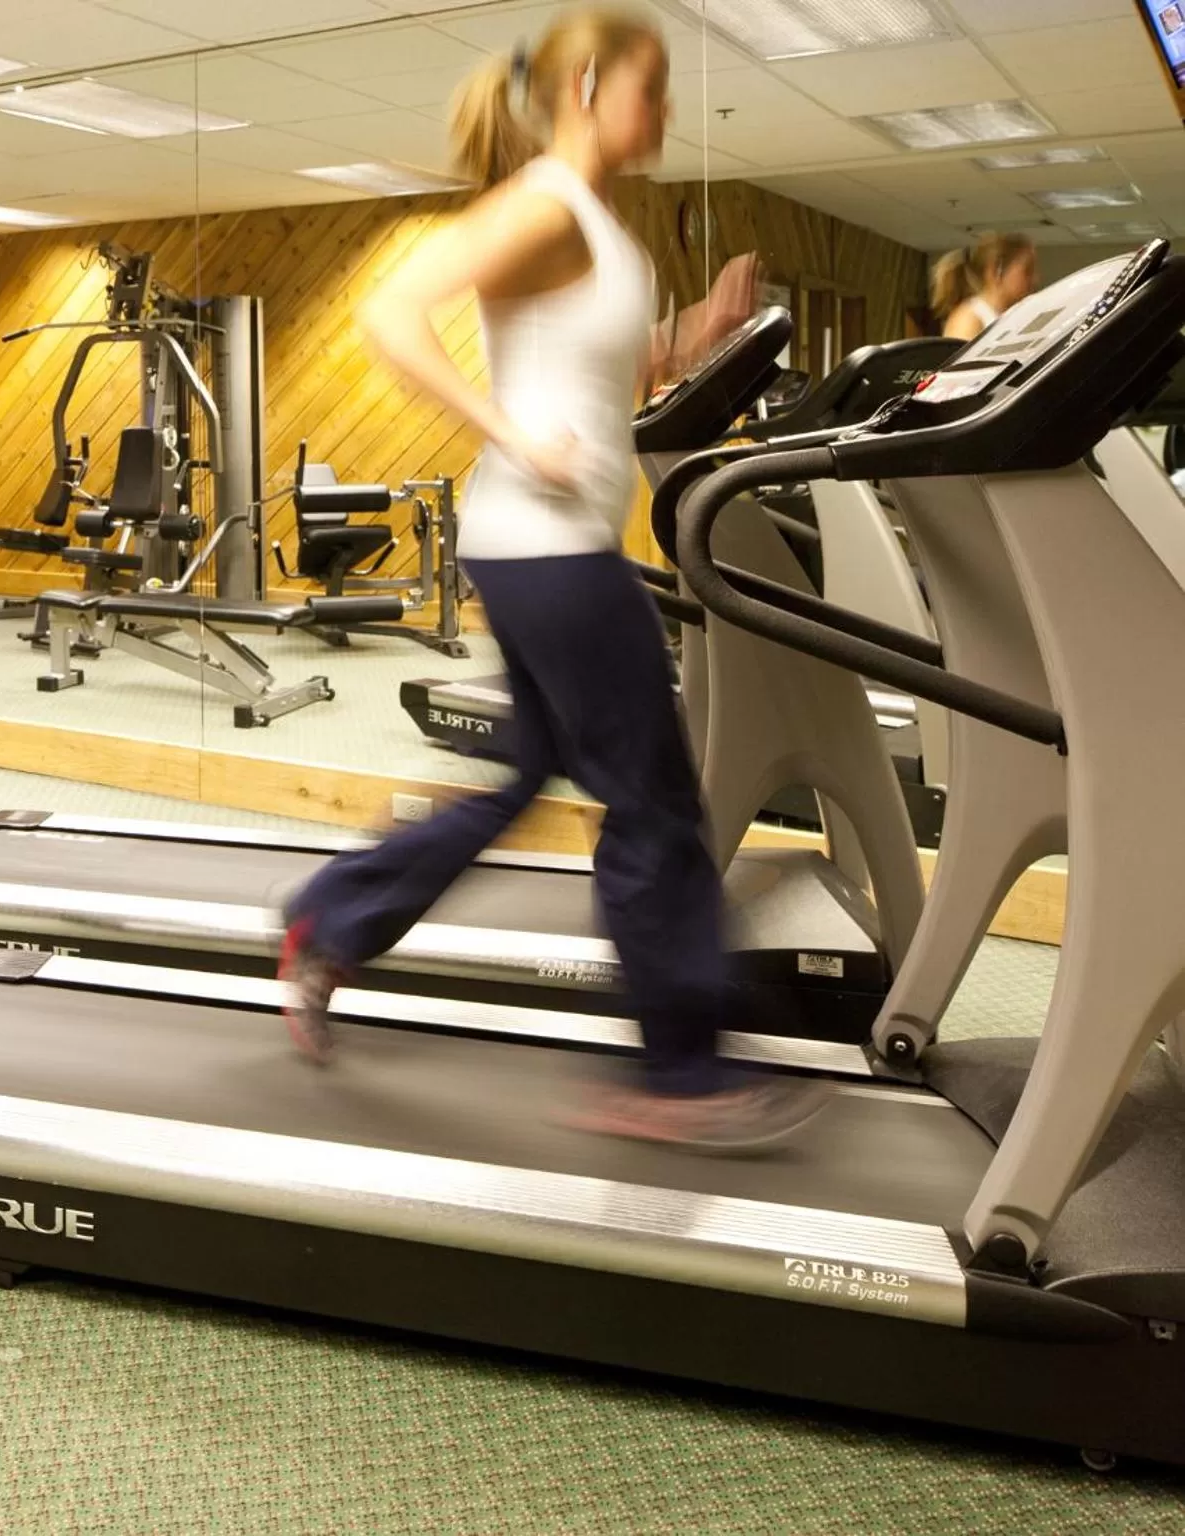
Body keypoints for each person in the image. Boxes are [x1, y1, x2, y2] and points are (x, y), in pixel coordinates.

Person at [277, 7, 828, 1152]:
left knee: (528, 777)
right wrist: (509, 432)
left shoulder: (594, 224)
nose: (665, 112)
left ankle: (327, 920)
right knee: (654, 801)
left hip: (539, 543)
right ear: (585, 91)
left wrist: (689, 337)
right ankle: (681, 1076)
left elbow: (592, 365)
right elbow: (389, 313)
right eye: (650, 89)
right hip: (549, 546)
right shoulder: (540, 202)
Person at [932, 232, 1036, 342]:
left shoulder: (1011, 316)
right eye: (1027, 271)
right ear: (996, 271)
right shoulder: (969, 320)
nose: (1035, 279)